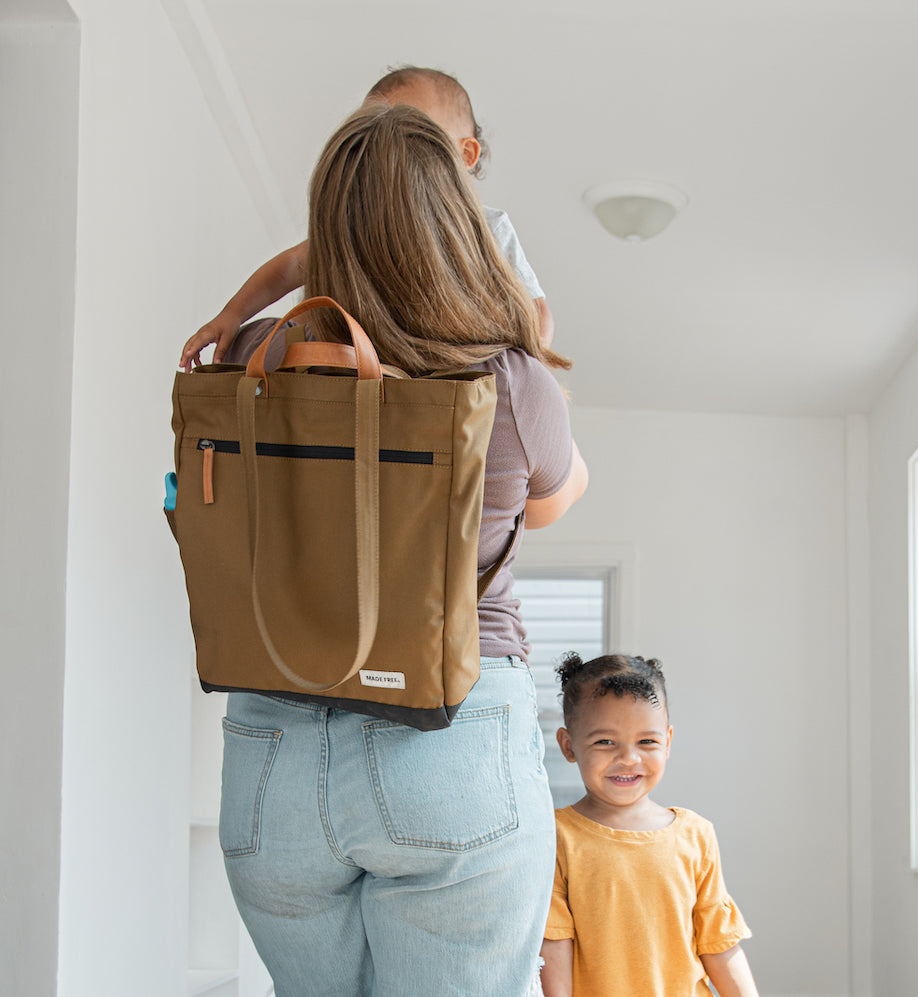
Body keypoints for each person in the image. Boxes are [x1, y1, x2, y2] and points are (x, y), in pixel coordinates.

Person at [213, 103, 588, 997]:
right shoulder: (505, 374)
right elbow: (552, 505)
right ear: (455, 221)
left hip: (273, 752)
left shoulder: (257, 357)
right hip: (451, 733)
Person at [179, 65, 554, 372]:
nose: (389, 152)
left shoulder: (486, 229)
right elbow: (293, 264)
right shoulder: (359, 228)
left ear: (464, 155)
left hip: (451, 368)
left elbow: (535, 313)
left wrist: (520, 371)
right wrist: (232, 314)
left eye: (413, 138)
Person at [540, 653, 760, 997]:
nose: (629, 758)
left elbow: (719, 944)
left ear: (668, 741)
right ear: (568, 746)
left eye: (647, 741)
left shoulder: (695, 834)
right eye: (605, 742)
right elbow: (554, 945)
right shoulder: (555, 838)